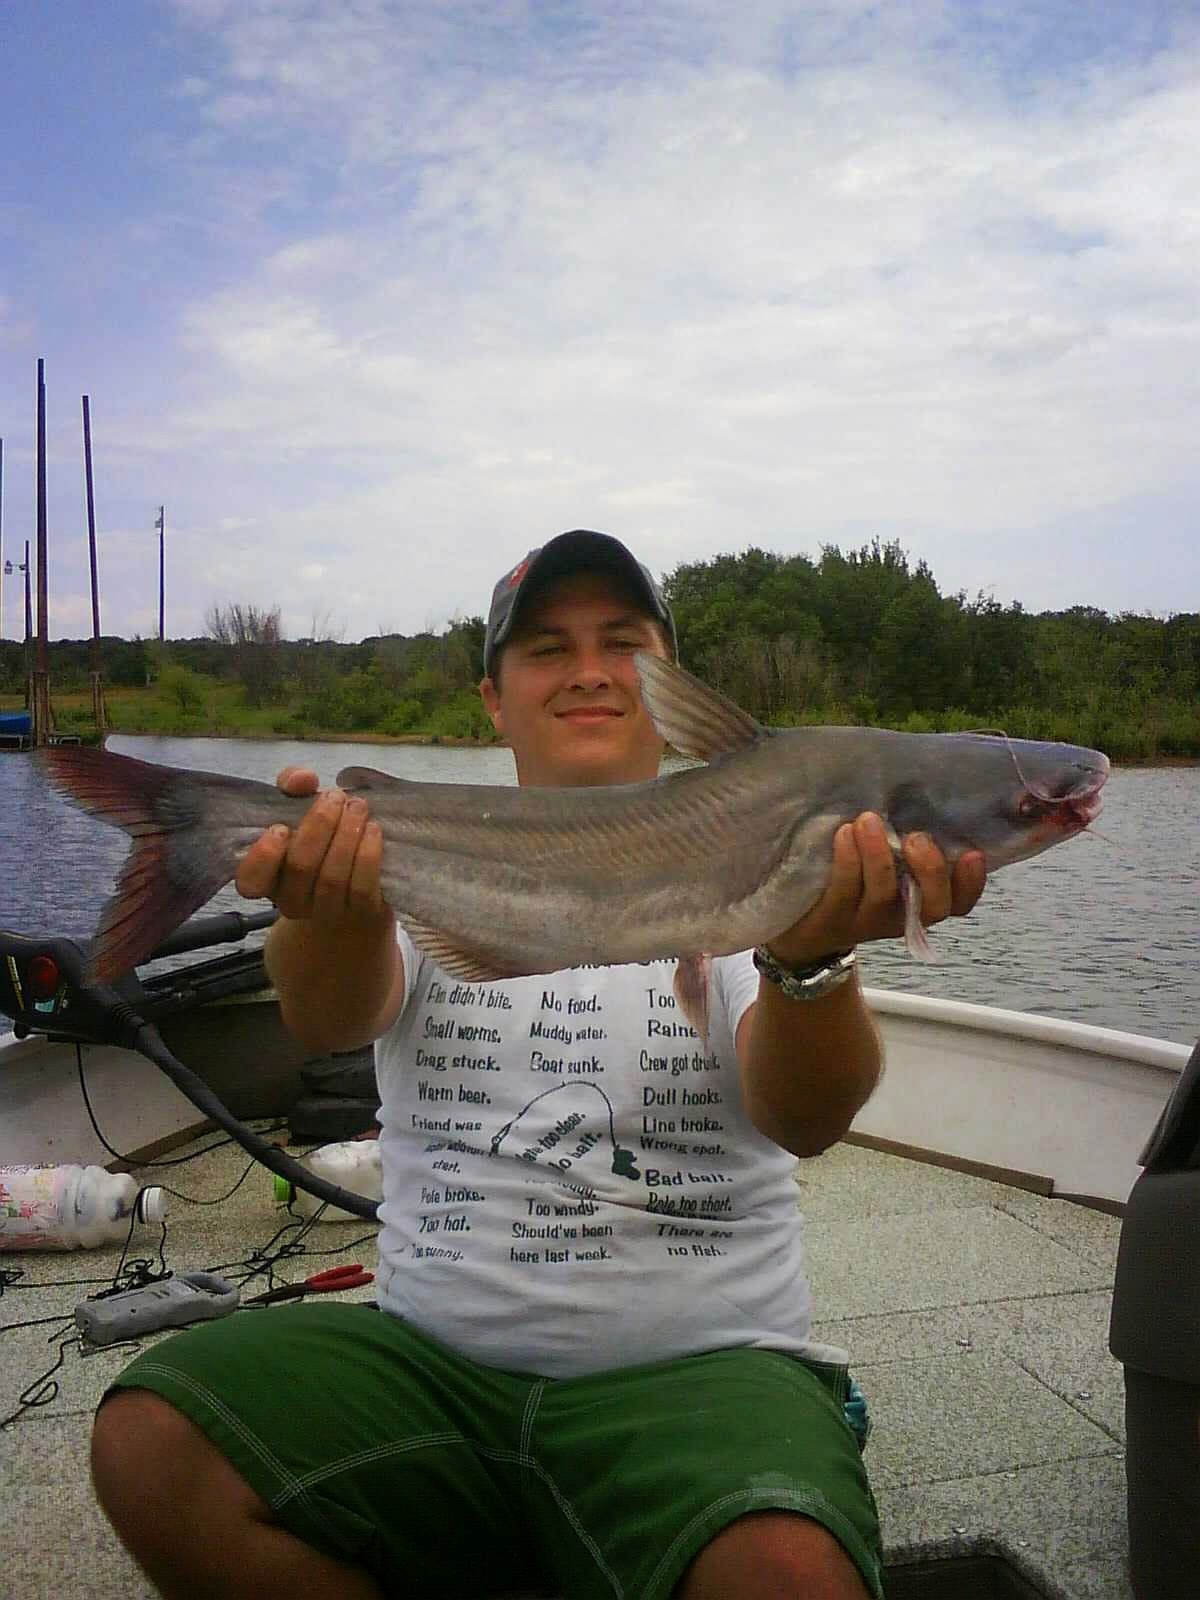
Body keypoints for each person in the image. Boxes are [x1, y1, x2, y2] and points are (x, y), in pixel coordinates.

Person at [90, 529, 987, 1600]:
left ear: (675, 687)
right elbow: (331, 1017)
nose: (593, 670)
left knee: (791, 1571)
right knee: (154, 1440)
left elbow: (806, 1114)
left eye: (623, 641)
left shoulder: (772, 860)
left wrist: (810, 956)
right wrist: (328, 903)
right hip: (434, 1374)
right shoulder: (431, 861)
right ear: (492, 698)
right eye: (548, 648)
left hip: (705, 1373)